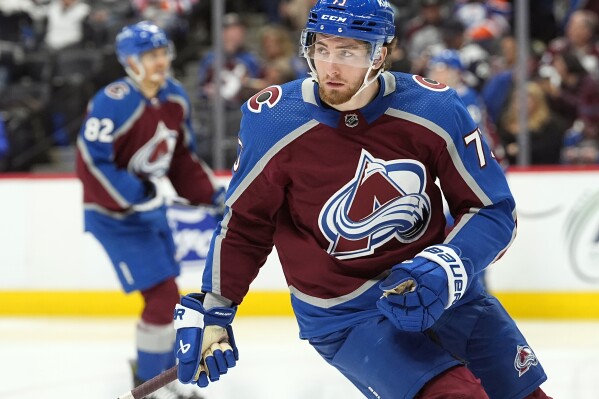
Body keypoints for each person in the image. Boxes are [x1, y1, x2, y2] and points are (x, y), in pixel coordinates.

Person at [172, 1, 552, 398]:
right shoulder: (273, 121)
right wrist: (215, 305)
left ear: (380, 55)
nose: (330, 67)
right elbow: (246, 223)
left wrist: (448, 266)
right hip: (346, 314)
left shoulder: (434, 109)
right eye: (322, 49)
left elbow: (491, 210)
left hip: (438, 292)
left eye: (348, 51)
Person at [75, 20, 223, 399]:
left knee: (165, 299)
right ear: (129, 60)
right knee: (162, 298)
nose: (159, 61)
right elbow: (91, 161)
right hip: (113, 216)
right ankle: (149, 383)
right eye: (149, 55)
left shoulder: (174, 97)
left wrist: (210, 195)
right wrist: (134, 194)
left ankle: (155, 378)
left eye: (162, 53)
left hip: (149, 212)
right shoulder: (114, 99)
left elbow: (181, 160)